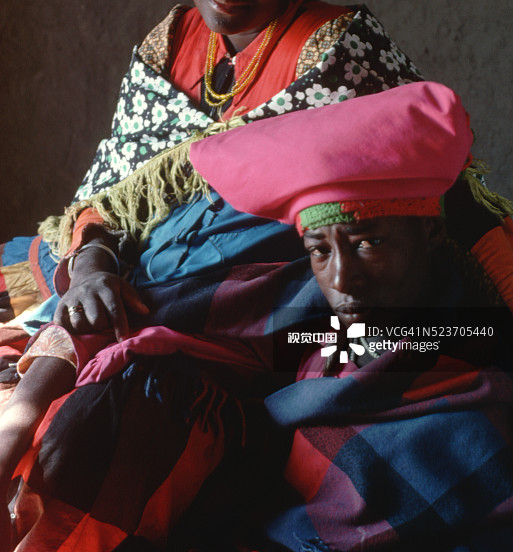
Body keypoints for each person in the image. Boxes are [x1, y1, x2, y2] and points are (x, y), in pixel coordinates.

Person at [0, 0, 512, 550]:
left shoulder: (340, 51)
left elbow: (443, 185)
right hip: (159, 262)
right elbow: (107, 195)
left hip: (270, 266)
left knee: (309, 325)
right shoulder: (170, 43)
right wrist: (89, 263)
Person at [190, 80, 513, 551]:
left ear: (431, 234)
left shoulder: (476, 351)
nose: (343, 279)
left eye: (369, 243)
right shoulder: (313, 341)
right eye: (320, 251)